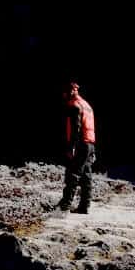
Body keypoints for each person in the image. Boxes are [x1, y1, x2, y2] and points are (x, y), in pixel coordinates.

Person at [57, 82, 96, 214]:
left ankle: (64, 206)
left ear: (71, 92)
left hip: (80, 144)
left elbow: (76, 128)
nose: (63, 95)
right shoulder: (87, 105)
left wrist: (72, 146)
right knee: (86, 176)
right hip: (90, 143)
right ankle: (84, 206)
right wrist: (92, 149)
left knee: (73, 174)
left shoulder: (74, 105)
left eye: (65, 93)